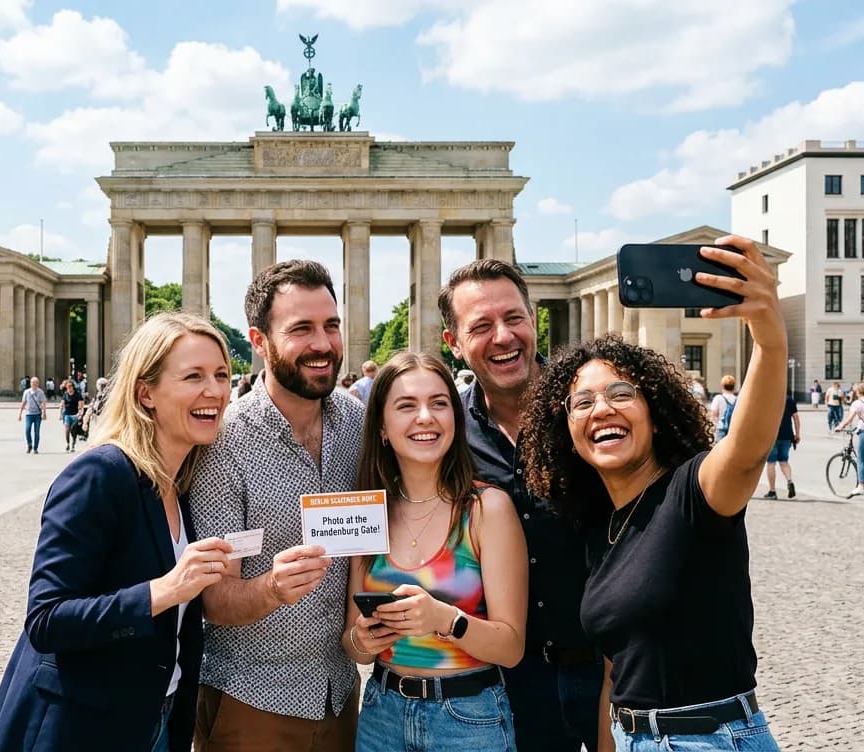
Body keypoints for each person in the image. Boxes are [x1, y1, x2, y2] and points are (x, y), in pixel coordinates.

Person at [523, 234, 784, 752]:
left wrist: (770, 338)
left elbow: (749, 450)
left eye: (622, 394)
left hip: (710, 738)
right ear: (566, 433)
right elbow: (616, 675)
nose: (603, 409)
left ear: (656, 412)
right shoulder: (601, 525)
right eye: (583, 403)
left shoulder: (694, 492)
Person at [0, 313, 235, 751]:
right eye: (193, 376)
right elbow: (46, 620)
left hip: (153, 718)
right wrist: (164, 590)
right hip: (80, 727)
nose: (214, 390)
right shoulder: (99, 474)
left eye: (220, 374)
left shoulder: (180, 481)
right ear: (146, 393)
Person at [190, 260, 365, 752]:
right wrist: (271, 588)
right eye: (301, 329)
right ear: (259, 341)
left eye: (331, 326)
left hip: (338, 692)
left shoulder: (359, 423)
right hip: (251, 700)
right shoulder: (223, 441)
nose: (323, 344)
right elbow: (213, 600)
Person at [439, 258, 601, 752]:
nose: (504, 337)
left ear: (534, 320)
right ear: (454, 343)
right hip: (502, 682)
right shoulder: (446, 437)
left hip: (607, 672)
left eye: (514, 318)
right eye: (481, 326)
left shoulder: (593, 412)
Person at [344, 352, 528, 751]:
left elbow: (511, 648)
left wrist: (443, 618)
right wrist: (364, 639)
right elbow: (351, 643)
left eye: (439, 403)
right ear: (381, 428)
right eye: (406, 406)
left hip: (468, 719)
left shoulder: (487, 508)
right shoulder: (367, 512)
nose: (425, 417)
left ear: (454, 420)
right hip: (381, 712)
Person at [762, 390, 800, 499]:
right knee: (784, 462)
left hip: (772, 435)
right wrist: (797, 434)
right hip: (787, 435)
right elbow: (796, 418)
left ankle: (772, 491)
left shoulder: (768, 400)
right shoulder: (789, 400)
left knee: (771, 463)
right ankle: (789, 480)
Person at [18, 377, 48, 454]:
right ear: (30, 383)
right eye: (32, 383)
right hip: (29, 414)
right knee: (27, 430)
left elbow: (44, 402)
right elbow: (23, 403)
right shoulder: (26, 392)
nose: (34, 384)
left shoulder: (40, 392)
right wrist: (20, 414)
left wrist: (44, 413)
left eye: (36, 383)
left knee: (37, 432)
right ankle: (29, 445)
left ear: (38, 383)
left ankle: (35, 448)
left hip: (37, 414)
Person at [708, 375, 738, 443]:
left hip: (721, 429)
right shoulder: (737, 399)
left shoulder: (718, 398)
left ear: (722, 385)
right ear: (734, 386)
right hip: (733, 430)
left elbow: (714, 415)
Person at [59, 380, 84, 452]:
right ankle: (67, 443)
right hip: (67, 414)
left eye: (70, 386)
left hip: (75, 414)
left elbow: (80, 405)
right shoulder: (65, 394)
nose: (69, 388)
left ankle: (73, 443)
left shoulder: (77, 394)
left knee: (73, 430)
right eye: (67, 386)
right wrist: (60, 414)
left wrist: (80, 413)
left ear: (73, 387)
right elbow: (62, 404)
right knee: (67, 429)